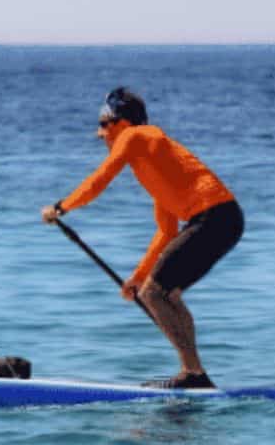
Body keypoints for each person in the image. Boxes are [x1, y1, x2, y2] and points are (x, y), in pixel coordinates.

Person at [41, 87, 244, 388]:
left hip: (214, 218)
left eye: (102, 125)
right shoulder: (155, 162)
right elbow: (167, 232)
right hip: (225, 221)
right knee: (166, 294)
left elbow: (100, 179)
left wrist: (60, 207)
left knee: (154, 294)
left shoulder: (135, 136)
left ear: (119, 122)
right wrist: (136, 277)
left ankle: (193, 374)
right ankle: (194, 374)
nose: (99, 135)